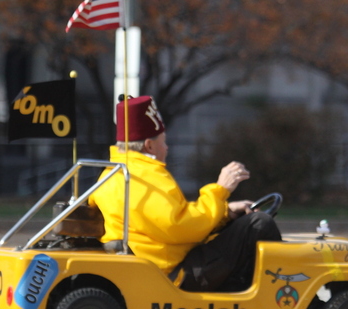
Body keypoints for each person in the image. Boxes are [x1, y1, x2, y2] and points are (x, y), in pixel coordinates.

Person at [89, 95, 281, 292]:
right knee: (259, 224)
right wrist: (220, 190)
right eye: (163, 142)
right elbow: (179, 226)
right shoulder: (142, 177)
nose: (167, 147)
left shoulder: (113, 174)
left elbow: (173, 218)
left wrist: (225, 213)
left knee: (245, 225)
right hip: (175, 273)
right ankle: (277, 300)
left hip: (164, 265)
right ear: (149, 145)